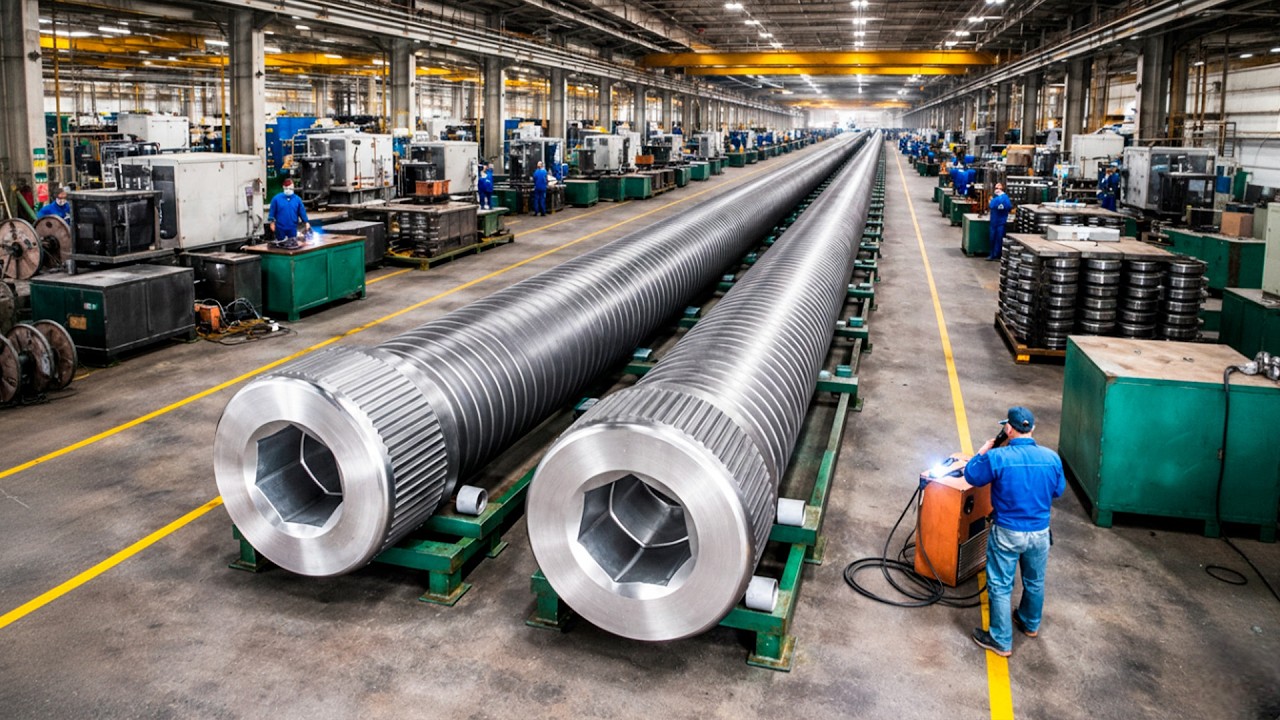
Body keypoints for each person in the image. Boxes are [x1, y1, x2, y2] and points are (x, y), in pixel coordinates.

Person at [964, 407, 1066, 658]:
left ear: (1008, 430)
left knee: (1000, 584)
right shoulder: (1052, 458)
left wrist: (983, 452)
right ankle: (1029, 623)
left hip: (1008, 532)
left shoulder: (999, 458)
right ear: (1032, 429)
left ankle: (1000, 639)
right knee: (1034, 581)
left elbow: (972, 476)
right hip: (1040, 533)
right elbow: (1058, 491)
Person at [267, 178, 310, 243]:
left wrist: (306, 222)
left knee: (292, 243)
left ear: (293, 188)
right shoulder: (276, 199)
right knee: (281, 243)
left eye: (290, 188)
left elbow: (302, 212)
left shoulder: (297, 200)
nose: (288, 190)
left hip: (292, 227)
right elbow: (272, 211)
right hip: (280, 227)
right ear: (283, 187)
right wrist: (272, 223)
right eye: (286, 188)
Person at [987, 183, 1014, 261]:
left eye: (999, 188)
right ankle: (992, 255)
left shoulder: (1004, 198)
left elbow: (1008, 207)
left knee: (999, 239)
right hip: (994, 223)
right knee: (992, 239)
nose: (997, 190)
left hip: (1000, 223)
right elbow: (991, 206)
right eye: (996, 188)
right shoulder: (996, 198)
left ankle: (998, 255)